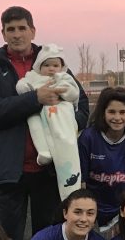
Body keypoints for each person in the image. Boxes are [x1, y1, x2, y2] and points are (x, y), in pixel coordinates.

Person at [0, 6, 90, 240]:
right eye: (11, 29)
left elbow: (81, 105)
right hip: (7, 172)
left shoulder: (53, 64)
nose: (17, 34)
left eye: (22, 28)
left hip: (50, 171)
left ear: (33, 31)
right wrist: (35, 99)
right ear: (3, 34)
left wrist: (67, 125)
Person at [15, 43, 82, 200]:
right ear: (39, 66)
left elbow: (74, 94)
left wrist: (63, 91)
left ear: (61, 67)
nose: (51, 69)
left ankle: (70, 189)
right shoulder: (33, 77)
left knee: (66, 141)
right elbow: (21, 86)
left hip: (61, 113)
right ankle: (43, 151)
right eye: (46, 65)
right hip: (39, 111)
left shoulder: (64, 77)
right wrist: (33, 94)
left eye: (55, 65)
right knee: (32, 120)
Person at [78, 87, 125, 227]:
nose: (117, 118)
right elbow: (81, 182)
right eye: (112, 112)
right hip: (92, 210)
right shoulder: (88, 137)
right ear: (103, 113)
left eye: (122, 112)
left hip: (121, 210)